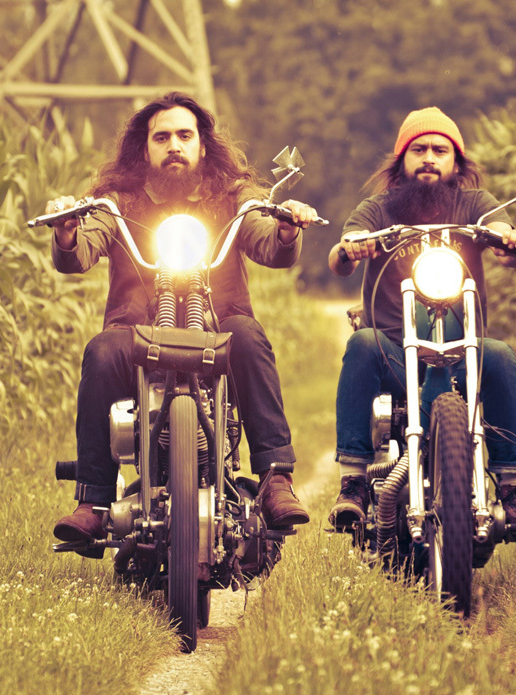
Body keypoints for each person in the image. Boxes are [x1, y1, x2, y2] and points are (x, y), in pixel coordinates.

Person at [46, 92, 318, 547]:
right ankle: (93, 500)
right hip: (134, 330)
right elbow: (81, 251)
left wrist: (286, 229)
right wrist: (68, 232)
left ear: (202, 146)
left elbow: (267, 241)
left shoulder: (233, 196)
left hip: (218, 326)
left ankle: (275, 477)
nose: (174, 145)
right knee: (100, 350)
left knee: (249, 336)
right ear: (145, 148)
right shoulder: (118, 202)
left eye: (184, 136)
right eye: (162, 137)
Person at [325, 107, 516, 537]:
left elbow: (502, 235)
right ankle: (352, 482)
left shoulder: (474, 205)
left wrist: (509, 239)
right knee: (361, 344)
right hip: (393, 353)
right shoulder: (379, 208)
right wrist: (350, 248)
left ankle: (512, 491)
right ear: (402, 160)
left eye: (440, 150)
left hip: (463, 349)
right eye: (419, 149)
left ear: (455, 163)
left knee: (500, 355)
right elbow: (342, 252)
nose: (429, 157)